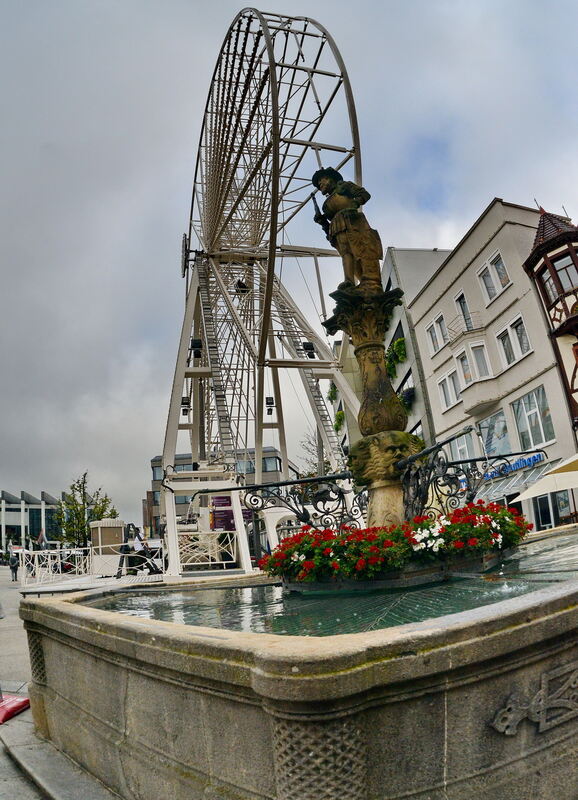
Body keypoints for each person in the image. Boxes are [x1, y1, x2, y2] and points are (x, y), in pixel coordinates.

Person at [312, 167, 383, 289]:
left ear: (329, 178)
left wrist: (355, 203)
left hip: (352, 221)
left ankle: (368, 278)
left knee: (360, 248)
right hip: (337, 226)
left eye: (321, 180)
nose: (319, 184)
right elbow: (328, 227)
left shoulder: (344, 187)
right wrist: (322, 222)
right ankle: (349, 280)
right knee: (345, 252)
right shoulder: (326, 204)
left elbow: (365, 194)